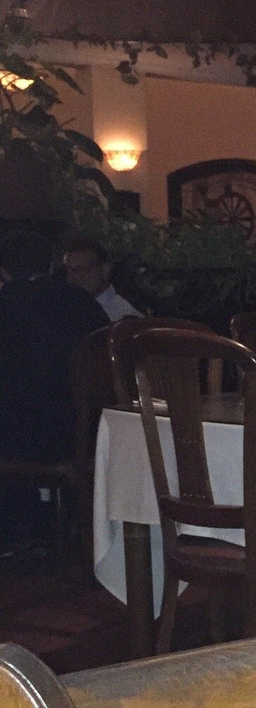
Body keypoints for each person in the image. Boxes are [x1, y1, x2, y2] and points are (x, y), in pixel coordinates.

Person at [0, 230, 110, 554]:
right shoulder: (82, 304)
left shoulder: (8, 305)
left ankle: (20, 528)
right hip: (79, 435)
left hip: (17, 439)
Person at [62, 237, 141, 321]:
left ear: (105, 270)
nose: (77, 276)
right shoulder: (65, 311)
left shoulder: (123, 316)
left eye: (86, 268)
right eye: (72, 270)